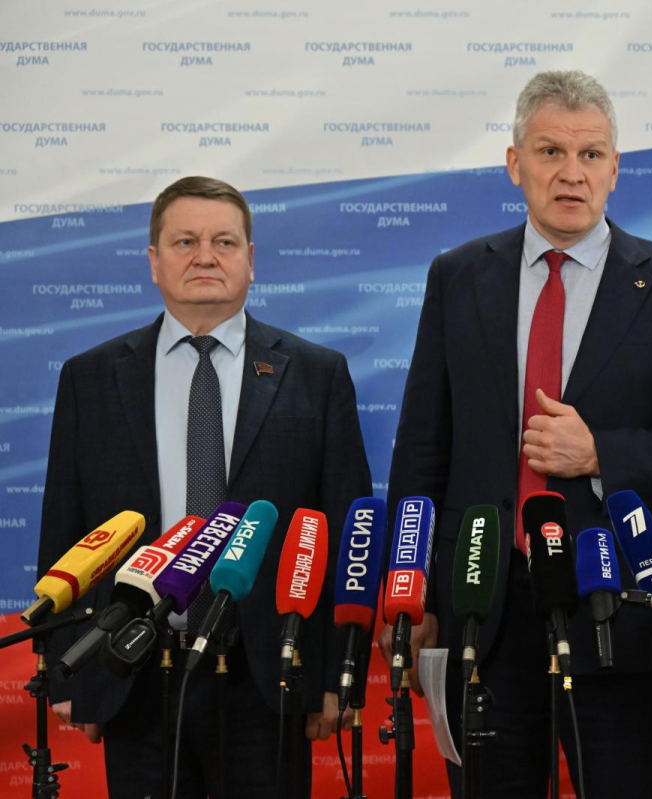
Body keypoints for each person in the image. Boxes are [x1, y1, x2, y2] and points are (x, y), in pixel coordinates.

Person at [384, 70, 652, 798]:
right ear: (514, 163)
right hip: (480, 600)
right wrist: (410, 585)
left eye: (590, 155)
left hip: (618, 603)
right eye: (550, 151)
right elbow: (423, 445)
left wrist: (601, 453)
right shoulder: (458, 277)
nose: (571, 173)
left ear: (615, 168)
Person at [37, 176, 371, 798]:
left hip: (269, 673)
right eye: (185, 241)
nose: (205, 257)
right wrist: (70, 672)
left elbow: (345, 534)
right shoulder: (91, 377)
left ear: (251, 259)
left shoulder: (317, 375)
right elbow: (68, 530)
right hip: (134, 667)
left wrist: (336, 675)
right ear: (154, 261)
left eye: (224, 242)